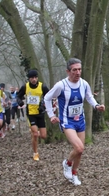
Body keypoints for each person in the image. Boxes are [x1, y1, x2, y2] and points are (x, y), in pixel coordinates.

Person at [44, 58, 105, 186]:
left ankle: (74, 174)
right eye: (74, 70)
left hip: (80, 121)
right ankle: (67, 163)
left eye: (79, 69)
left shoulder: (84, 84)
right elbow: (47, 98)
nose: (77, 72)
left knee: (80, 151)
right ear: (68, 71)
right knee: (79, 147)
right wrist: (51, 115)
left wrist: (96, 106)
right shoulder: (61, 85)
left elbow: (89, 97)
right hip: (67, 121)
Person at [16, 69, 50, 161]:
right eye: (32, 78)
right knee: (35, 134)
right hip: (31, 113)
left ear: (37, 78)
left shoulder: (42, 86)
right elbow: (18, 96)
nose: (34, 79)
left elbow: (49, 97)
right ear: (29, 79)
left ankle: (33, 131)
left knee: (43, 136)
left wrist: (43, 104)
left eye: (35, 77)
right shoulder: (25, 87)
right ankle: (35, 153)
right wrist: (19, 101)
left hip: (40, 113)